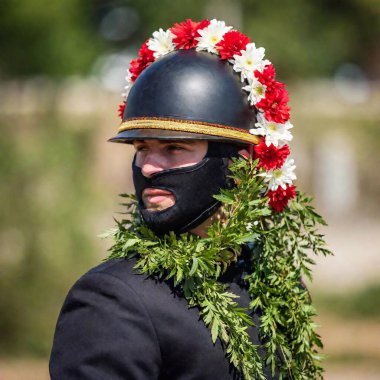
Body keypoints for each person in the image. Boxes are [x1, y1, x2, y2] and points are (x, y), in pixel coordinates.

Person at [50, 19, 329, 380]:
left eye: (174, 147)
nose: (148, 167)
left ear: (240, 163)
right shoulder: (111, 301)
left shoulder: (272, 280)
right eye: (142, 147)